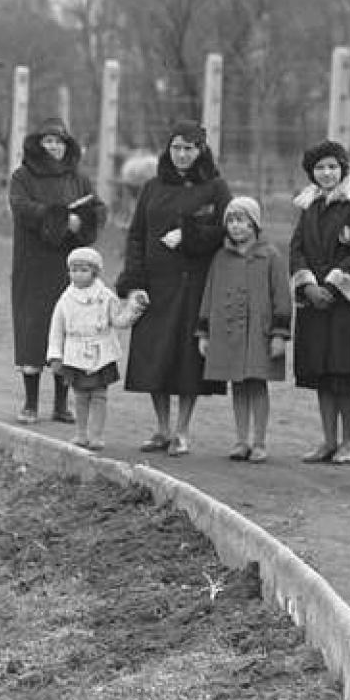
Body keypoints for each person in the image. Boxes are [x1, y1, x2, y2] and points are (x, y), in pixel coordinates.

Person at [117, 120, 230, 456]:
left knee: (186, 358)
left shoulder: (215, 187)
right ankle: (162, 428)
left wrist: (191, 234)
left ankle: (182, 430)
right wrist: (134, 281)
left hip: (193, 284)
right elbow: (136, 234)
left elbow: (231, 228)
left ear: (201, 150)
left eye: (190, 148)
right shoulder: (152, 187)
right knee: (156, 356)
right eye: (177, 147)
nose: (182, 154)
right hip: (155, 284)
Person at [289, 140, 350, 465]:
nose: (326, 173)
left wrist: (331, 284)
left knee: (345, 374)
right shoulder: (308, 206)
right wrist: (309, 286)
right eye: (319, 168)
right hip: (314, 305)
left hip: (346, 307)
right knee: (322, 373)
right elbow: (296, 249)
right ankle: (328, 440)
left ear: (343, 168)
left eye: (332, 166)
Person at [8, 117, 102, 425]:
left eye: (59, 142)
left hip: (69, 266)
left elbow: (97, 210)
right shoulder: (22, 176)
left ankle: (62, 404)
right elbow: (22, 207)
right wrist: (60, 218)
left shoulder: (79, 178)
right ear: (38, 144)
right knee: (33, 329)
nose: (54, 147)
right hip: (33, 265)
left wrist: (82, 222)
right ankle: (31, 403)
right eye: (48, 141)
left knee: (66, 329)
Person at [196, 196, 290, 463]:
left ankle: (259, 442)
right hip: (229, 334)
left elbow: (282, 296)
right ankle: (241, 440)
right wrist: (204, 333)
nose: (236, 227)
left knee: (258, 384)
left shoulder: (270, 256)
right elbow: (209, 294)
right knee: (237, 384)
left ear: (255, 224)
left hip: (261, 334)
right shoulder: (220, 258)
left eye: (242, 221)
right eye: (231, 221)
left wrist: (280, 335)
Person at [45, 247, 138, 451]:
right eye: (74, 269)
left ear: (95, 272)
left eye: (84, 269)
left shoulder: (106, 297)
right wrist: (55, 355)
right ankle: (81, 433)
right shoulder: (65, 300)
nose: (78, 274)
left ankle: (96, 435)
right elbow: (56, 329)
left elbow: (118, 320)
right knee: (80, 395)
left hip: (101, 352)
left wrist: (132, 310)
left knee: (99, 395)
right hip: (75, 352)